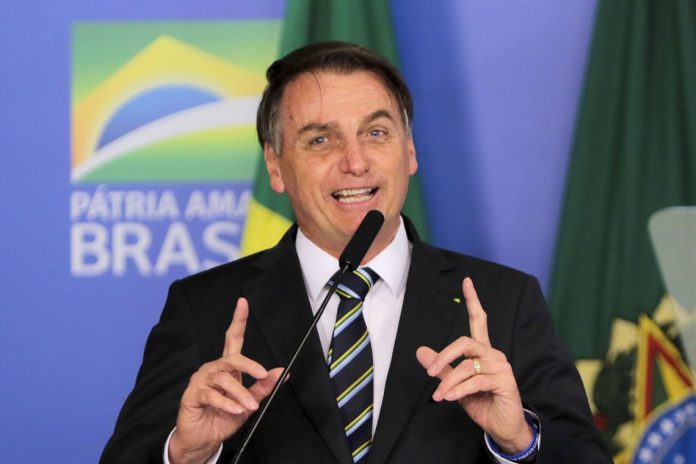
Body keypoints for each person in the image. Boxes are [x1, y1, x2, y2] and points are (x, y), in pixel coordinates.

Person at [101, 41, 612, 463]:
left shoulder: (504, 302)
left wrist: (519, 440)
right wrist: (185, 454)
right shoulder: (205, 309)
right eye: (321, 140)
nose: (356, 162)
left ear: (409, 151)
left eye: (376, 133)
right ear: (276, 166)